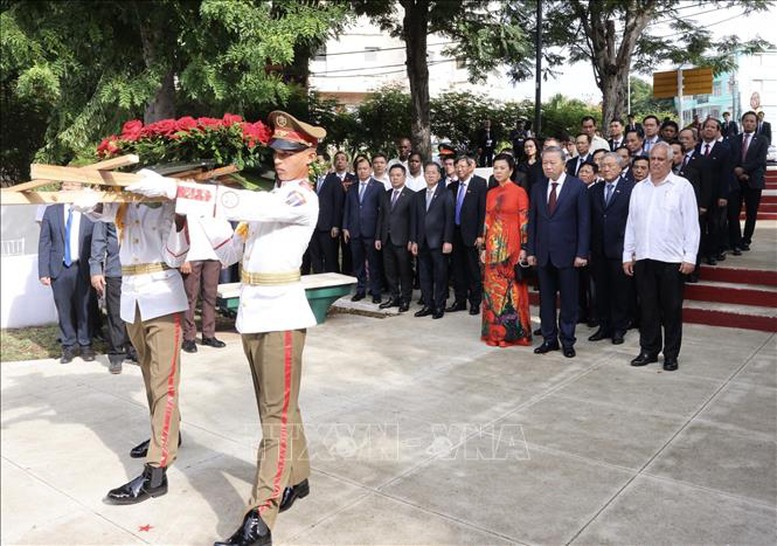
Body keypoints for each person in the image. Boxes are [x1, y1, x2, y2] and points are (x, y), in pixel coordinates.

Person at [203, 111, 325, 546]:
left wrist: (199, 193)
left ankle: (261, 516)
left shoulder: (299, 198)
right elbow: (228, 248)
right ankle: (299, 474)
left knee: (273, 417)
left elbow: (259, 207)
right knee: (278, 406)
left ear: (309, 155)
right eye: (276, 150)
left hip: (281, 317)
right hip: (255, 313)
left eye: (289, 152)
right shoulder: (266, 199)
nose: (279, 158)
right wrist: (191, 212)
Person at [74, 168, 193, 505]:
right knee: (149, 378)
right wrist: (83, 195)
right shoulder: (122, 201)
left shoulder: (168, 199)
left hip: (162, 296)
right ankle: (168, 434)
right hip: (133, 298)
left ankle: (156, 471)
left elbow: (177, 256)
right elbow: (97, 209)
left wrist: (178, 210)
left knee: (164, 383)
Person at [623, 142, 700, 372]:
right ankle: (648, 349)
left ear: (670, 161)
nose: (655, 163)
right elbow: (631, 224)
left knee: (672, 310)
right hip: (645, 257)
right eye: (652, 159)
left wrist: (690, 257)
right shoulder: (639, 188)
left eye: (660, 159)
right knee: (647, 308)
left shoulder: (682, 187)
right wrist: (628, 254)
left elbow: (691, 224)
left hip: (672, 260)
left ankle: (671, 354)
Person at [524, 146, 590, 358]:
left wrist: (582, 253)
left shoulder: (577, 187)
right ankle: (549, 338)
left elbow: (584, 223)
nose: (548, 166)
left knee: (569, 301)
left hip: (569, 254)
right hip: (543, 254)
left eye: (553, 162)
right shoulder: (537, 188)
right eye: (545, 163)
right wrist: (531, 250)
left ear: (564, 164)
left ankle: (568, 340)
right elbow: (532, 222)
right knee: (546, 300)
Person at [39, 182, 96, 364]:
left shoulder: (90, 211)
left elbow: (97, 240)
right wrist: (43, 271)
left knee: (85, 307)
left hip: (83, 267)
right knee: (63, 309)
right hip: (59, 268)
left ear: (80, 189)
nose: (69, 189)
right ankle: (68, 346)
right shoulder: (51, 211)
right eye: (66, 185)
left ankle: (86, 345)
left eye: (73, 185)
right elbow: (44, 242)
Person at [481, 153, 532, 347]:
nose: (498, 171)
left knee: (512, 291)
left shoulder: (519, 192)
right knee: (493, 292)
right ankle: (494, 333)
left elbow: (524, 221)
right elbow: (487, 221)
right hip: (493, 248)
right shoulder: (490, 193)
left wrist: (524, 248)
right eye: (495, 168)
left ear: (510, 170)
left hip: (512, 246)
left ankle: (513, 334)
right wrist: (484, 247)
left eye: (502, 168)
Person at [588, 153, 635, 345]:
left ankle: (619, 328)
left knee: (620, 291)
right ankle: (604, 325)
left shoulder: (630, 189)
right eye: (603, 165)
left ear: (620, 167)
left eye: (610, 166)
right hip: (599, 249)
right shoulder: (594, 190)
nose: (606, 169)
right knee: (602, 290)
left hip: (620, 249)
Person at [411, 161, 454, 319]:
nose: (430, 175)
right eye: (427, 172)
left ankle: (439, 306)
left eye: (433, 173)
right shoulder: (418, 195)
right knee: (424, 275)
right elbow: (414, 220)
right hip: (422, 242)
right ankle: (428, 304)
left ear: (439, 175)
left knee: (440, 275)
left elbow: (450, 219)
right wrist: (414, 240)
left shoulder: (446, 194)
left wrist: (448, 240)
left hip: (439, 242)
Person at [180, 213, 227, 353]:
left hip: (213, 255)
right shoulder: (187, 204)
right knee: (190, 298)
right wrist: (183, 258)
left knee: (211, 296)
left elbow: (224, 230)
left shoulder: (215, 205)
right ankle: (188, 337)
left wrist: (225, 254)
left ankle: (209, 334)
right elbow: (179, 232)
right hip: (192, 255)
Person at [447, 157, 487, 315]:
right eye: (457, 166)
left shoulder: (480, 184)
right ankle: (460, 300)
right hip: (455, 232)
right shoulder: (452, 186)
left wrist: (480, 234)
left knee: (472, 270)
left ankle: (475, 302)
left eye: (463, 166)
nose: (459, 169)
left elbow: (482, 211)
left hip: (472, 233)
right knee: (457, 270)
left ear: (471, 167)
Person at [89, 221, 130, 373]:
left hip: (140, 271)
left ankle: (135, 350)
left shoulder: (139, 203)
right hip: (116, 270)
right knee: (115, 315)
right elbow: (98, 241)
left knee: (138, 314)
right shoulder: (107, 208)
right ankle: (116, 355)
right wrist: (96, 270)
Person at [343, 155, 383, 303]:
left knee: (374, 263)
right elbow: (347, 208)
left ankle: (376, 291)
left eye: (365, 168)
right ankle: (360, 290)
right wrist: (345, 227)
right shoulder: (352, 187)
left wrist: (379, 233)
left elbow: (381, 212)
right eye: (359, 169)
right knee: (358, 263)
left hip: (371, 231)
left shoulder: (378, 187)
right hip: (354, 230)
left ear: (370, 169)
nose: (362, 171)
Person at [375, 164, 415, 312]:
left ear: (404, 177)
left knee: (405, 271)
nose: (395, 178)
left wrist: (412, 239)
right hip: (387, 239)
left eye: (398, 175)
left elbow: (413, 221)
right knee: (389, 271)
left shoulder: (412, 196)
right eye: (392, 175)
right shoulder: (385, 194)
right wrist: (378, 237)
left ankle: (405, 299)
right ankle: (394, 297)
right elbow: (381, 217)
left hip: (403, 240)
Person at [728, 111, 769, 253]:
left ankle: (746, 240)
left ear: (756, 124)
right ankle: (735, 240)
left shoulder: (762, 140)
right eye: (747, 121)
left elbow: (760, 160)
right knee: (733, 212)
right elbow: (730, 158)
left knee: (751, 212)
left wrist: (744, 170)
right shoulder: (733, 139)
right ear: (742, 122)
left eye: (752, 121)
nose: (749, 123)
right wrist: (737, 171)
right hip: (735, 181)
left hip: (753, 180)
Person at [309, 151, 346, 274]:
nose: (317, 165)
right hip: (313, 226)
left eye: (319, 161)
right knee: (316, 257)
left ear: (327, 163)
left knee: (330, 259)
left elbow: (338, 204)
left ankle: (333, 283)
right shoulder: (311, 181)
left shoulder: (334, 180)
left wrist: (336, 225)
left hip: (328, 227)